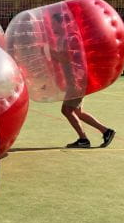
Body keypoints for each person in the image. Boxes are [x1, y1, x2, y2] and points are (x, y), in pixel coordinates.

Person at [47, 10, 115, 149]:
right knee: (77, 112)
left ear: (62, 24)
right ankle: (106, 131)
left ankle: (83, 139)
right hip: (74, 80)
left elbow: (66, 57)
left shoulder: (71, 38)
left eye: (54, 24)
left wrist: (49, 52)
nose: (52, 27)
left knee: (66, 110)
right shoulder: (62, 39)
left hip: (77, 80)